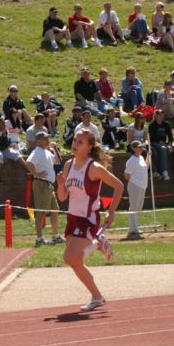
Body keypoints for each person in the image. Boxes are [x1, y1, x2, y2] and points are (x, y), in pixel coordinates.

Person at [56, 129, 124, 312]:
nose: (75, 144)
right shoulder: (68, 165)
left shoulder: (94, 168)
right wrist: (60, 185)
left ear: (89, 147)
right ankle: (97, 296)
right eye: (75, 140)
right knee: (75, 262)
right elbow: (62, 198)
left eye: (80, 142)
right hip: (72, 217)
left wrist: (111, 212)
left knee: (70, 258)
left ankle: (97, 243)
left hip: (88, 218)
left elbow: (119, 186)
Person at [26, 132, 65, 246]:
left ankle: (56, 236)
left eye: (48, 137)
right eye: (46, 138)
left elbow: (57, 161)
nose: (48, 140)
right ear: (39, 140)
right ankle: (39, 239)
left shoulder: (47, 151)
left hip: (48, 185)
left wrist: (54, 148)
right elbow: (29, 163)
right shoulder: (37, 151)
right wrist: (35, 174)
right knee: (40, 212)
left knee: (54, 210)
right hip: (42, 184)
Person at [0, 116, 26, 184]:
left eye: (4, 123)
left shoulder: (6, 131)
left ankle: (29, 170)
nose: (4, 125)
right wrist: (5, 145)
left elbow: (7, 143)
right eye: (2, 123)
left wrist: (4, 136)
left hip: (2, 149)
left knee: (16, 153)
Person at [149, 110, 174, 180]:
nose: (161, 116)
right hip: (155, 143)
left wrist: (170, 145)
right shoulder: (152, 125)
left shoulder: (166, 124)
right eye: (159, 114)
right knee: (163, 149)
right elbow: (155, 139)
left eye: (162, 114)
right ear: (155, 116)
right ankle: (164, 171)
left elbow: (170, 137)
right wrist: (167, 146)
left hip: (165, 142)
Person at [124, 140, 149, 240]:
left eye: (141, 147)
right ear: (133, 148)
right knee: (133, 208)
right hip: (135, 186)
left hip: (142, 186)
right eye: (138, 147)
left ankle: (135, 228)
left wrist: (149, 156)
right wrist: (135, 181)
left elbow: (145, 167)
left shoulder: (141, 157)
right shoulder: (131, 160)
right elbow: (126, 175)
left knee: (137, 208)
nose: (140, 148)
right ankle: (132, 230)